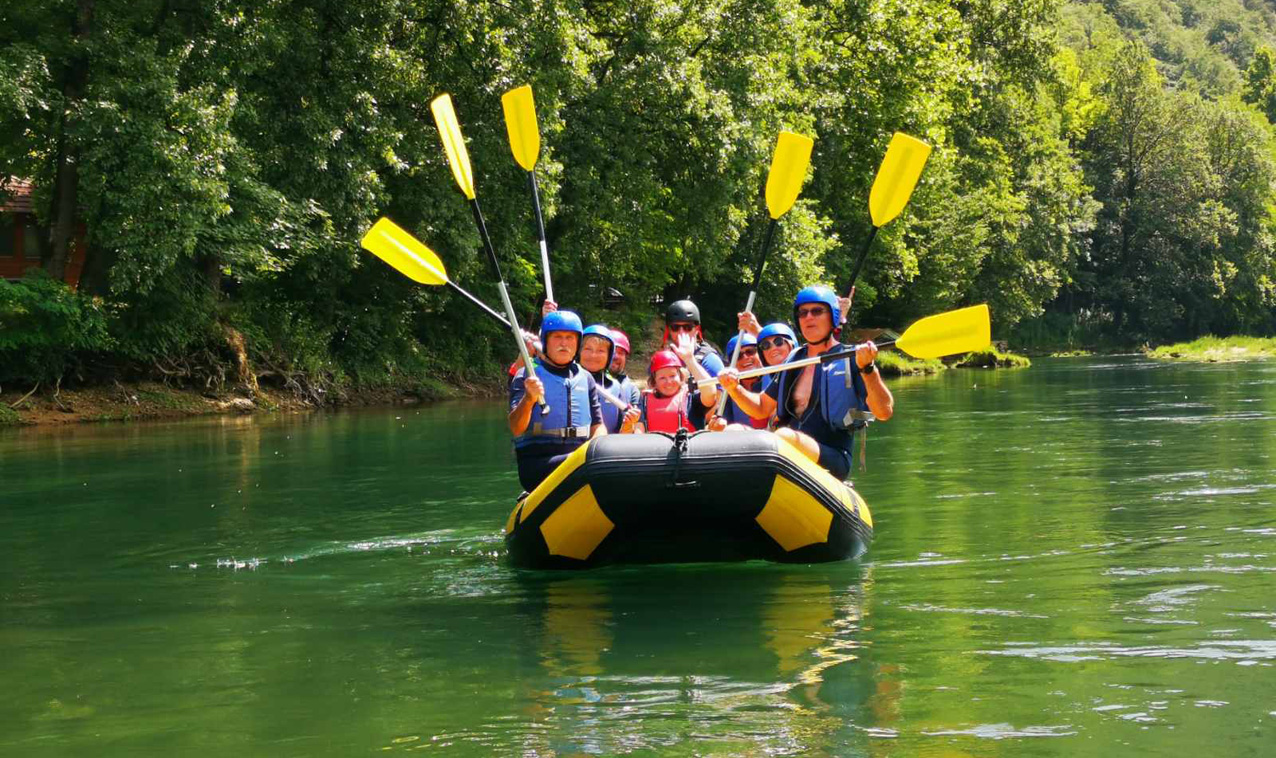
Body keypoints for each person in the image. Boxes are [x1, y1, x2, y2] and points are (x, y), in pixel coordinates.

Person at [717, 285, 893, 480]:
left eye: (817, 311)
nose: (808, 317)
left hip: (832, 455)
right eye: (803, 313)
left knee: (785, 436)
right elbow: (761, 407)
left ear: (833, 316)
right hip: (787, 447)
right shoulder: (794, 360)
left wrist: (868, 369)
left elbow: (884, 412)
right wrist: (734, 388)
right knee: (732, 431)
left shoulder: (851, 358)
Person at [508, 310, 607, 491]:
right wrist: (529, 399)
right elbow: (516, 427)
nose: (564, 343)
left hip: (579, 459)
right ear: (545, 341)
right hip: (538, 464)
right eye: (557, 337)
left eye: (570, 338)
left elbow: (598, 425)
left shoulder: (586, 378)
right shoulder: (526, 375)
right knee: (580, 463)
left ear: (577, 343)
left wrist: (597, 451)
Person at [635, 338, 720, 434]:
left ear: (680, 377)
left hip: (688, 448)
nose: (669, 382)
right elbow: (638, 431)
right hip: (655, 448)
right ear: (654, 382)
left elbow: (711, 393)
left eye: (672, 376)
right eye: (662, 378)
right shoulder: (644, 401)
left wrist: (690, 360)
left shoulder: (691, 399)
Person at [580, 324, 641, 434]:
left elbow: (622, 435)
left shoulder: (616, 387)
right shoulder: (568, 379)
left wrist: (628, 424)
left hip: (603, 448)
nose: (593, 355)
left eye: (600, 351)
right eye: (588, 349)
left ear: (609, 356)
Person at [709, 332, 771, 431]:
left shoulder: (773, 378)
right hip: (744, 441)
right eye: (738, 356)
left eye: (750, 351)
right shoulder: (727, 391)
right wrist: (718, 425)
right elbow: (723, 419)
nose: (745, 357)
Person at [662, 299, 724, 378]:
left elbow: (716, 390)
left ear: (697, 329)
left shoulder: (710, 360)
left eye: (688, 327)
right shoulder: (664, 358)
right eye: (675, 327)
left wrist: (689, 360)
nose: (681, 333)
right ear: (669, 330)